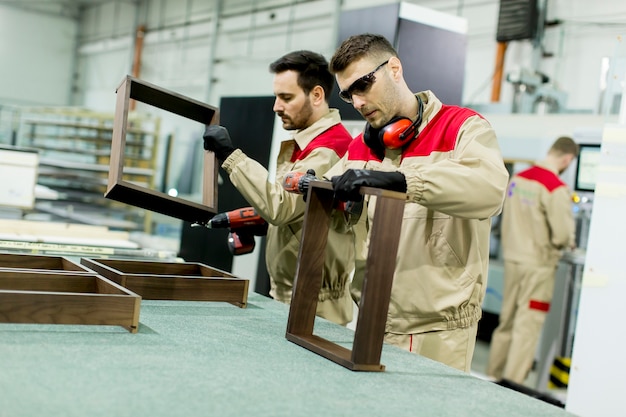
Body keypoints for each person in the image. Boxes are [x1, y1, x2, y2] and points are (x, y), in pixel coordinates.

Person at [322, 33, 509, 372]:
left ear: (394, 68)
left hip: (437, 332)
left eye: (363, 85)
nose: (359, 102)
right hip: (372, 320)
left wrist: (403, 180)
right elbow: (321, 189)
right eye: (349, 95)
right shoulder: (363, 147)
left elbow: (490, 189)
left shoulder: (462, 127)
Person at [202, 50, 355, 326]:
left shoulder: (329, 149)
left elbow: (281, 207)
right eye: (276, 97)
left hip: (315, 305)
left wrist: (230, 155)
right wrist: (262, 222)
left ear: (317, 95)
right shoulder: (304, 145)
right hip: (291, 295)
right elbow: (296, 209)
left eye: (286, 98)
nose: (276, 106)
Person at [486, 136, 578, 384]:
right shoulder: (554, 187)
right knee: (527, 327)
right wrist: (569, 241)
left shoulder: (518, 178)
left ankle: (493, 376)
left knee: (507, 322)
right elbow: (561, 234)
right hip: (538, 266)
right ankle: (513, 386)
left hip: (513, 260)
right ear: (567, 159)